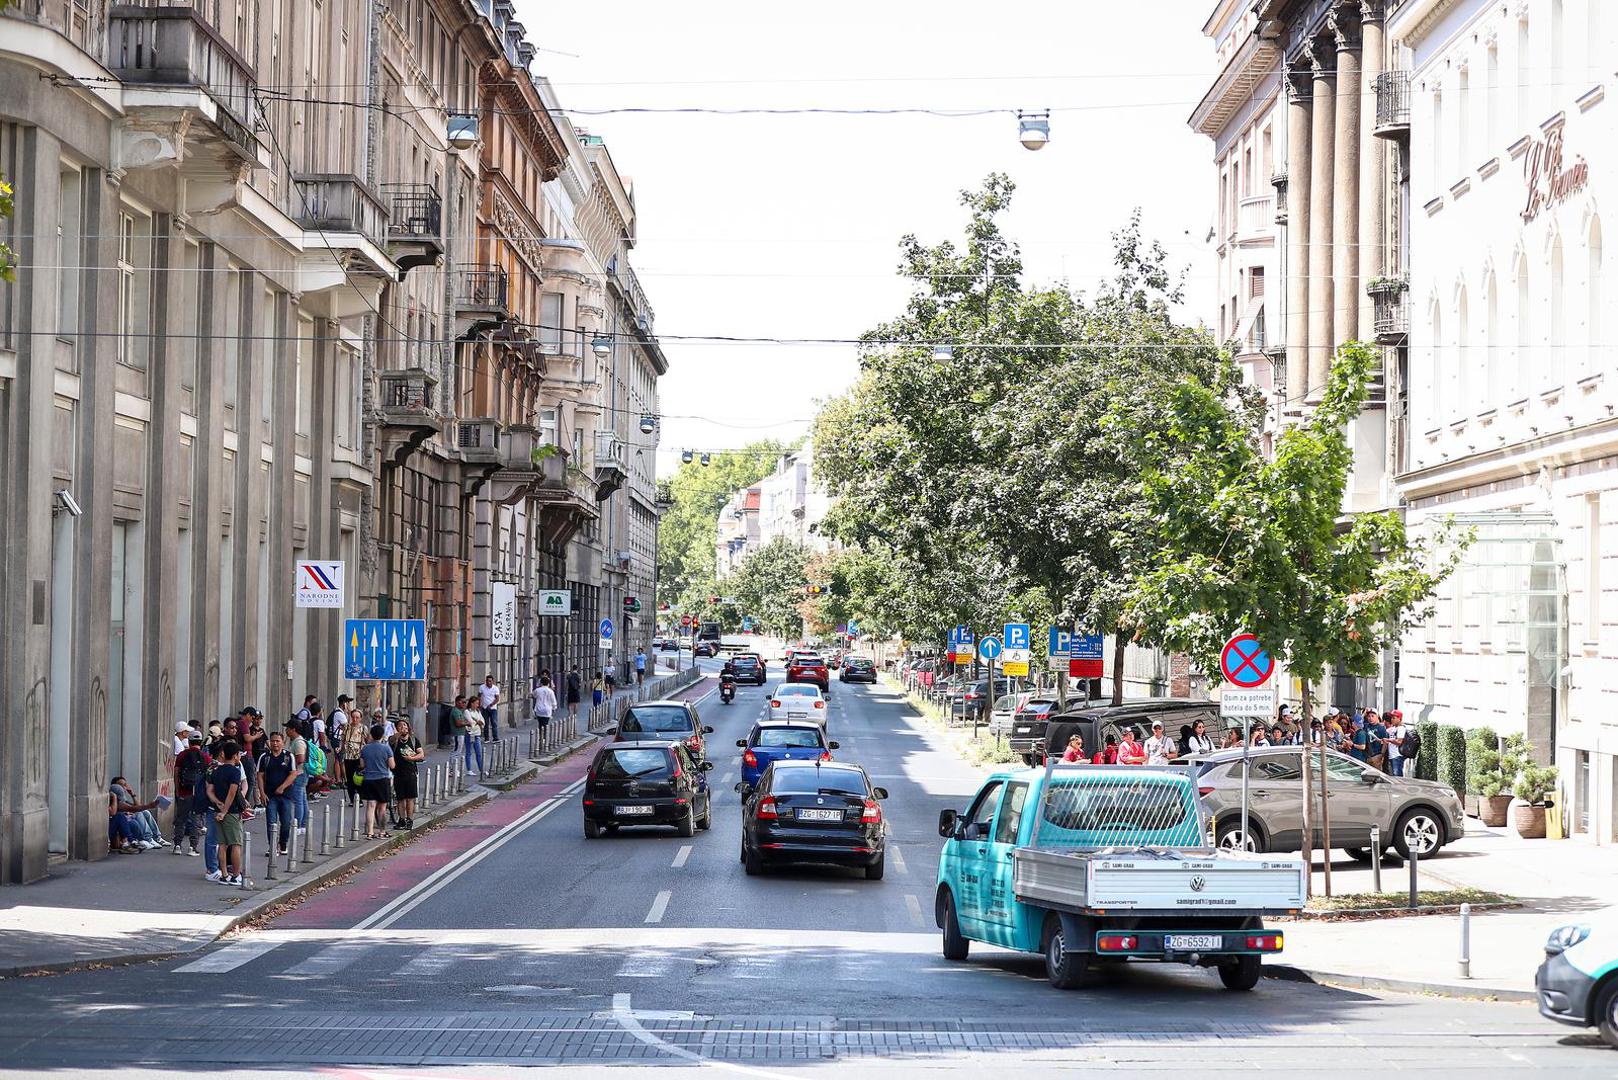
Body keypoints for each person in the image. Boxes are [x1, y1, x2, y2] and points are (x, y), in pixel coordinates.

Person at [208, 739, 247, 887]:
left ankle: (224, 875)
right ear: (236, 756)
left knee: (222, 844)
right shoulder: (235, 772)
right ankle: (236, 875)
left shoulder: (216, 770)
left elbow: (209, 791)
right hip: (231, 812)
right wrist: (225, 811)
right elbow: (232, 793)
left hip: (218, 810)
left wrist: (217, 802)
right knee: (235, 844)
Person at [256, 730, 297, 856]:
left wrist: (283, 787)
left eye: (277, 741)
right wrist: (262, 793)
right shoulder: (265, 757)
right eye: (273, 741)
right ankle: (273, 846)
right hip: (270, 796)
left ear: (282, 742)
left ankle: (283, 843)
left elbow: (293, 774)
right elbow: (259, 776)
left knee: (286, 822)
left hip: (286, 795)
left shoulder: (289, 756)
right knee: (271, 822)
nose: (275, 744)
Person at [171, 732, 210, 855]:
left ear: (189, 741)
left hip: (184, 791)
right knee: (196, 820)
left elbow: (176, 773)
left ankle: (177, 845)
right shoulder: (205, 757)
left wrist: (177, 790)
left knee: (181, 819)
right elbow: (208, 778)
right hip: (198, 794)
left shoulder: (182, 755)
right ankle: (192, 847)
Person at [359, 724, 396, 841]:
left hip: (368, 779)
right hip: (382, 779)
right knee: (382, 807)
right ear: (382, 735)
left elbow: (362, 765)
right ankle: (382, 831)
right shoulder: (386, 748)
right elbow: (392, 765)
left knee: (370, 806)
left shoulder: (365, 748)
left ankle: (370, 832)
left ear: (371, 735)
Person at [109, 777, 166, 848]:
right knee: (137, 815)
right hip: (121, 823)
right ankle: (147, 839)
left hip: (127, 819)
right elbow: (133, 809)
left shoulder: (122, 800)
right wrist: (149, 806)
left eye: (125, 785)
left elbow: (138, 806)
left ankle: (157, 837)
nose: (124, 787)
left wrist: (132, 794)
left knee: (145, 812)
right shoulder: (114, 800)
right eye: (121, 785)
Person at [390, 718, 424, 830]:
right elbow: (390, 742)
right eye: (400, 726)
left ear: (408, 727)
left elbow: (421, 754)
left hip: (411, 772)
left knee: (410, 798)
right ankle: (401, 819)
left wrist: (411, 758)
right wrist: (399, 733)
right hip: (398, 773)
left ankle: (409, 820)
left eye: (405, 725)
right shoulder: (395, 740)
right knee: (400, 798)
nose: (403, 727)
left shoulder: (414, 740)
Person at [285, 717, 311, 833]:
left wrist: (288, 762)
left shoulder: (298, 742)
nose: (286, 731)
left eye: (287, 728)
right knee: (302, 799)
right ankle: (303, 824)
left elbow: (300, 759)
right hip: (302, 773)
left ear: (293, 729)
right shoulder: (299, 741)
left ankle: (298, 824)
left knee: (298, 800)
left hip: (299, 773)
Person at [340, 708, 368, 805]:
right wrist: (340, 748)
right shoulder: (347, 727)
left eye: (357, 717)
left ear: (360, 718)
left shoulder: (363, 728)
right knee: (350, 778)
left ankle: (359, 798)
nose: (355, 719)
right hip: (348, 755)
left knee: (359, 778)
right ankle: (352, 799)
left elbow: (367, 741)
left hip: (359, 756)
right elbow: (342, 739)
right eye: (353, 717)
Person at [454, 694, 485, 777]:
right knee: (469, 752)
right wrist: (477, 722)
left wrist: (478, 721)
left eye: (478, 703)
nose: (477, 705)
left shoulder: (478, 711)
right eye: (476, 703)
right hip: (470, 734)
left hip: (477, 734)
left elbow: (483, 722)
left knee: (479, 753)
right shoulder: (467, 712)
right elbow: (471, 723)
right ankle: (469, 769)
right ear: (472, 703)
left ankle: (481, 769)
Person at [1382, 710, 1409, 776]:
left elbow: (1399, 742)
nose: (1392, 720)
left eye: (1394, 718)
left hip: (1397, 756)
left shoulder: (1401, 728)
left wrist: (1388, 740)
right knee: (1393, 776)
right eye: (1391, 718)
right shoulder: (1393, 728)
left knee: (1397, 777)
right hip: (1392, 756)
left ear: (1399, 719)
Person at [477, 675, 501, 742]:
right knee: (485, 723)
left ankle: (495, 738)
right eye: (487, 681)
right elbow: (479, 696)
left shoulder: (495, 688)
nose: (488, 682)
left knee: (494, 722)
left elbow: (497, 699)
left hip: (493, 708)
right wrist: (479, 705)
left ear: (492, 681)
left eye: (490, 681)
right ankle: (486, 738)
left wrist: (491, 705)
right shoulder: (482, 687)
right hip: (484, 708)